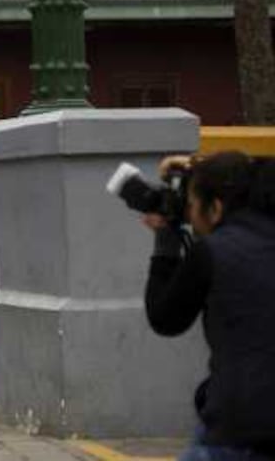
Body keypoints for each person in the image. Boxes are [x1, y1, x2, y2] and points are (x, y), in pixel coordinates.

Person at [141, 151, 275, 459]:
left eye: (191, 205)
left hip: (244, 427)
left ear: (215, 208)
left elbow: (165, 318)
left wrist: (166, 241)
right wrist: (198, 168)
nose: (189, 215)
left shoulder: (214, 251)